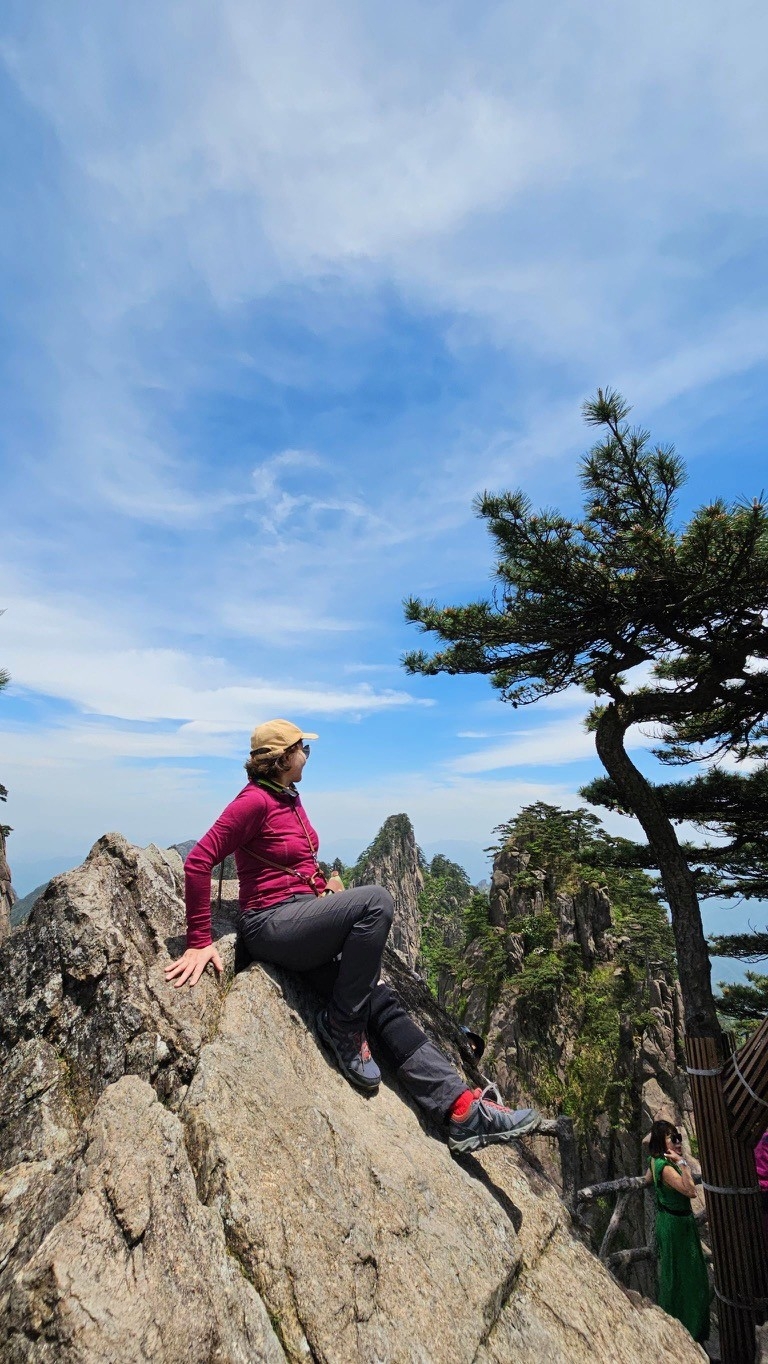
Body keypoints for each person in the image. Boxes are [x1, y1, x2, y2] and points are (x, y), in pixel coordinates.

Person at [164, 718, 540, 1153]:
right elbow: (199, 861)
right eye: (304, 748)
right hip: (270, 924)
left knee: (380, 1001)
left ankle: (458, 1108)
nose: (308, 754)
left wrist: (323, 889)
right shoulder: (252, 802)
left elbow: (295, 860)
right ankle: (342, 1028)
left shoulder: (287, 796)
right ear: (284, 757)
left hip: (301, 920)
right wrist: (198, 940)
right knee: (377, 901)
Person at [645, 1119, 709, 1344]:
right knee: (687, 1279)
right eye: (673, 1139)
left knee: (676, 1276)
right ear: (662, 1143)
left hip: (672, 1222)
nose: (679, 1142)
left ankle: (682, 1329)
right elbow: (691, 1191)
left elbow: (646, 1179)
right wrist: (682, 1163)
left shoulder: (654, 1161)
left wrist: (661, 1142)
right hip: (677, 1226)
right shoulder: (667, 1168)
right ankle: (688, 1333)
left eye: (679, 1137)